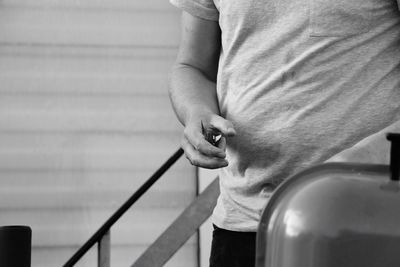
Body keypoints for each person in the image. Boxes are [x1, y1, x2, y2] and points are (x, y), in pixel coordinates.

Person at [168, 0, 400, 266]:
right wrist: (196, 112)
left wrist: (349, 170)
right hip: (244, 223)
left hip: (362, 221)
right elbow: (191, 67)